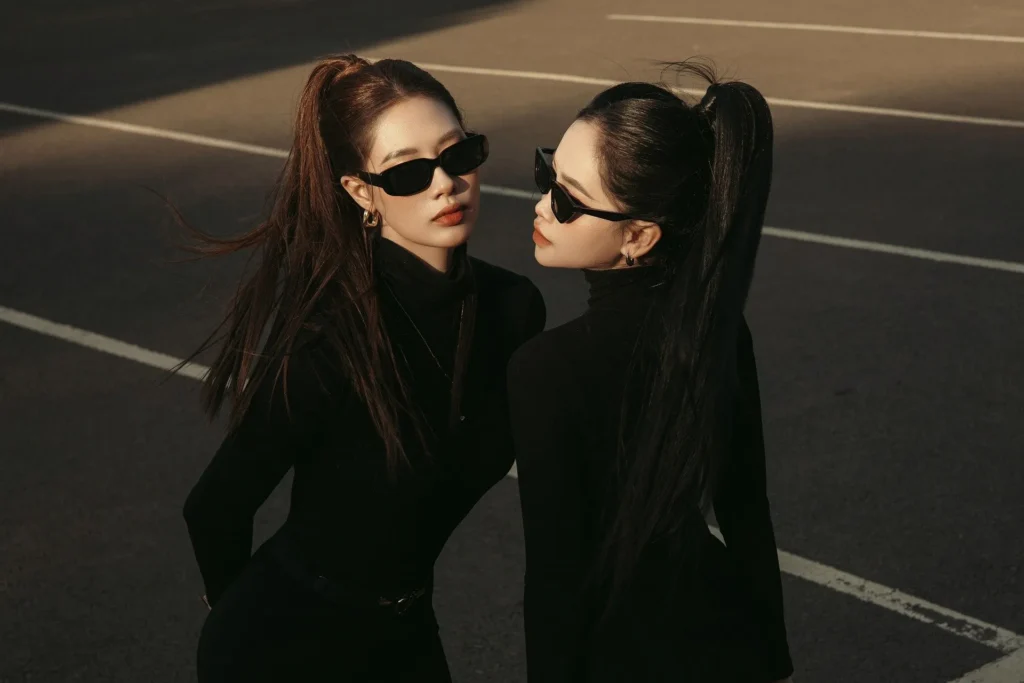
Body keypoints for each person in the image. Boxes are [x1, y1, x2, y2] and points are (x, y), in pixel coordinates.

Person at [179, 54, 545, 682]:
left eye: (458, 156)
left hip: (405, 631)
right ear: (360, 192)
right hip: (287, 645)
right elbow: (214, 506)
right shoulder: (330, 342)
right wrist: (237, 618)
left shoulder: (514, 310)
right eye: (407, 173)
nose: (443, 184)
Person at [507, 62, 794, 682]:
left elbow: (555, 574)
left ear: (638, 235)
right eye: (545, 172)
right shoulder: (718, 330)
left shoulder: (547, 370)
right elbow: (746, 511)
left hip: (621, 654)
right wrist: (774, 657)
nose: (540, 205)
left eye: (565, 199)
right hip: (725, 634)